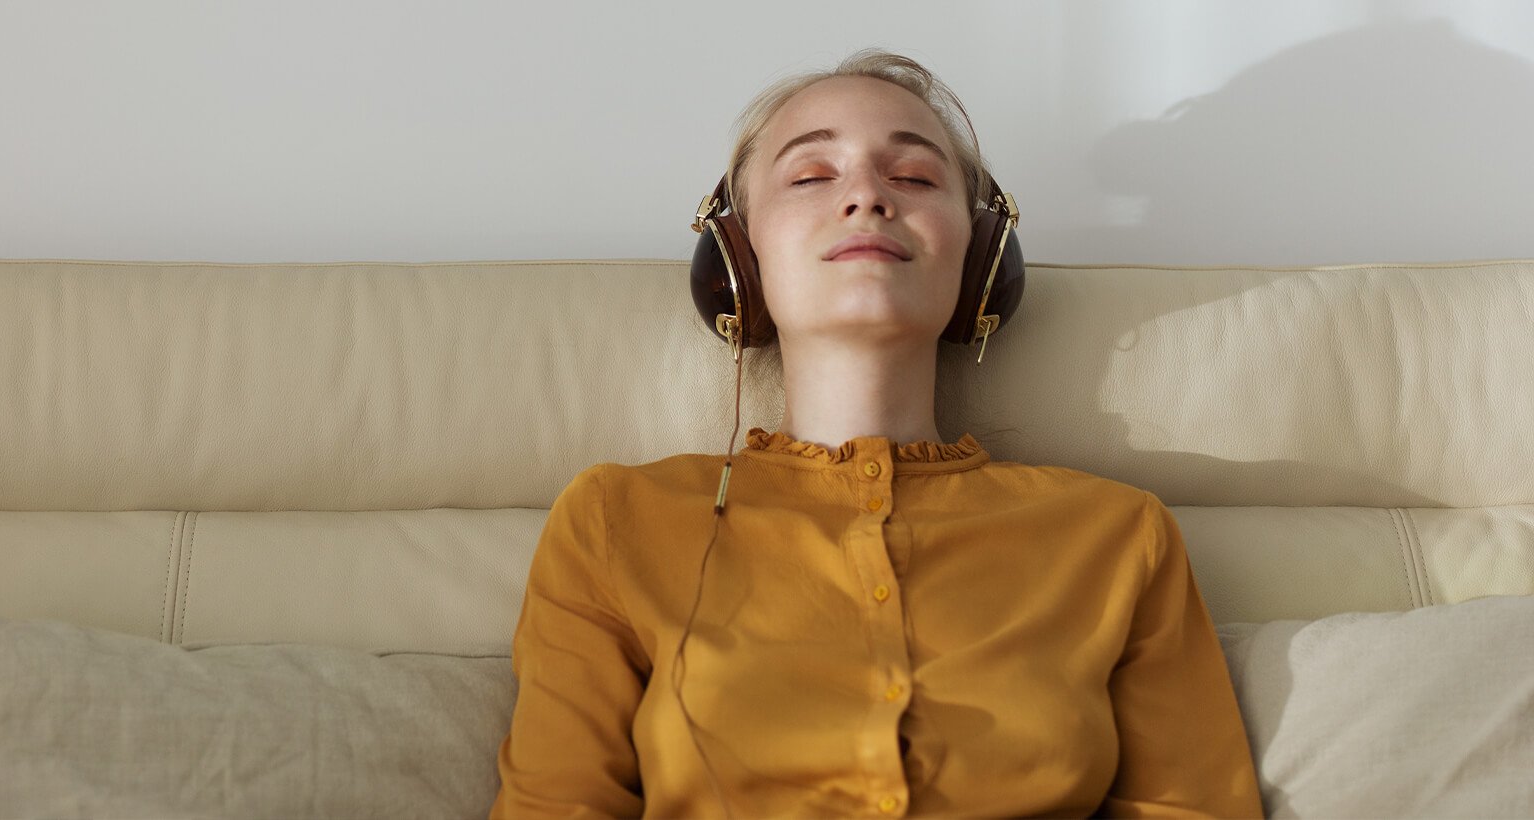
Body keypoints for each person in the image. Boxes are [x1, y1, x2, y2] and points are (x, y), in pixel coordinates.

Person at [490, 47, 1262, 819]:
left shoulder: (1121, 537)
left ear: (983, 256)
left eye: (916, 178)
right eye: (810, 176)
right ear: (738, 258)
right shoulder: (614, 520)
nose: (865, 197)